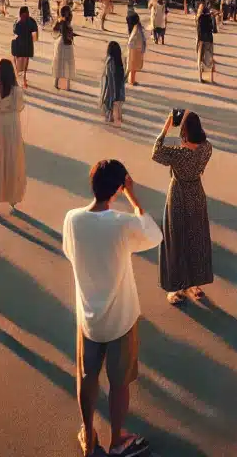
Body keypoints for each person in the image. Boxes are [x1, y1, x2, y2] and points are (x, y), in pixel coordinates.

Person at [63, 159, 163, 457]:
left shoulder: (72, 219)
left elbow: (70, 253)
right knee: (119, 383)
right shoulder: (121, 223)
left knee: (87, 377)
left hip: (88, 318)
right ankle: (118, 439)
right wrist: (134, 199)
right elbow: (154, 235)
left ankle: (88, 434)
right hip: (121, 317)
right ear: (119, 189)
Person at [151, 111, 214, 304]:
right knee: (196, 238)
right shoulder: (207, 148)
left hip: (178, 195)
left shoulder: (178, 154)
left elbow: (156, 152)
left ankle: (176, 287)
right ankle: (194, 283)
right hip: (196, 193)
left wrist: (167, 125)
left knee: (175, 240)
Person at [0, 59, 27, 215]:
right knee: (11, 162)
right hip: (11, 133)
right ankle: (12, 196)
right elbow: (20, 107)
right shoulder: (17, 92)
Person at [11, 5, 39, 89]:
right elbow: (15, 32)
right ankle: (19, 77)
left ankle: (23, 78)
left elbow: (35, 31)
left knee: (24, 60)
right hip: (21, 42)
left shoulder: (27, 21)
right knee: (18, 60)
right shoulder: (20, 22)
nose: (25, 15)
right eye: (24, 14)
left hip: (25, 42)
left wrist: (34, 39)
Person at [100, 41, 127, 125]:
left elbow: (109, 76)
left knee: (111, 102)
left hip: (112, 86)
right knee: (118, 104)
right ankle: (118, 118)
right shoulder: (119, 60)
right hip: (119, 85)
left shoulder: (110, 60)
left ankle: (113, 118)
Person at [53, 6, 77, 91]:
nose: (69, 13)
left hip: (63, 42)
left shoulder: (63, 21)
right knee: (65, 63)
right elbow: (62, 32)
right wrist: (69, 34)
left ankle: (59, 84)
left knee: (63, 63)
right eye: (67, 11)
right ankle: (62, 85)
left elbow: (56, 30)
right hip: (64, 43)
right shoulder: (63, 21)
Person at [196, 3, 218, 84]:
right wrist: (213, 16)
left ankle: (200, 78)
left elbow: (198, 30)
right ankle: (211, 79)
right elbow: (214, 29)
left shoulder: (199, 18)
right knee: (209, 59)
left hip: (201, 40)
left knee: (200, 59)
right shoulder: (209, 17)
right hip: (209, 39)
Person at [125, 10, 148, 87]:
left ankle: (130, 80)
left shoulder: (135, 27)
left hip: (135, 49)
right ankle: (131, 81)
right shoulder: (136, 29)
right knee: (133, 67)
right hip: (135, 49)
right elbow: (133, 41)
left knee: (133, 66)